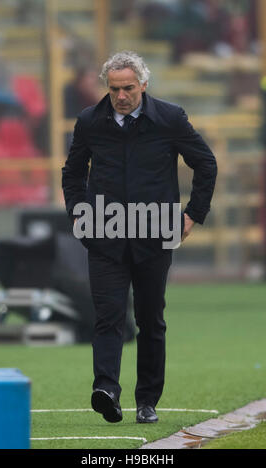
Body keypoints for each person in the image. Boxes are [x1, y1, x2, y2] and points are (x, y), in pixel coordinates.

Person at [62, 51, 217, 424]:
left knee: (150, 319)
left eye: (128, 88)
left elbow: (205, 163)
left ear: (144, 85)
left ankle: (147, 401)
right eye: (114, 88)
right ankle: (107, 390)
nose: (120, 96)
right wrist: (79, 215)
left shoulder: (169, 118)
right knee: (108, 316)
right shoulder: (89, 121)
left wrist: (193, 214)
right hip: (104, 236)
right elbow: (72, 173)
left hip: (154, 235)